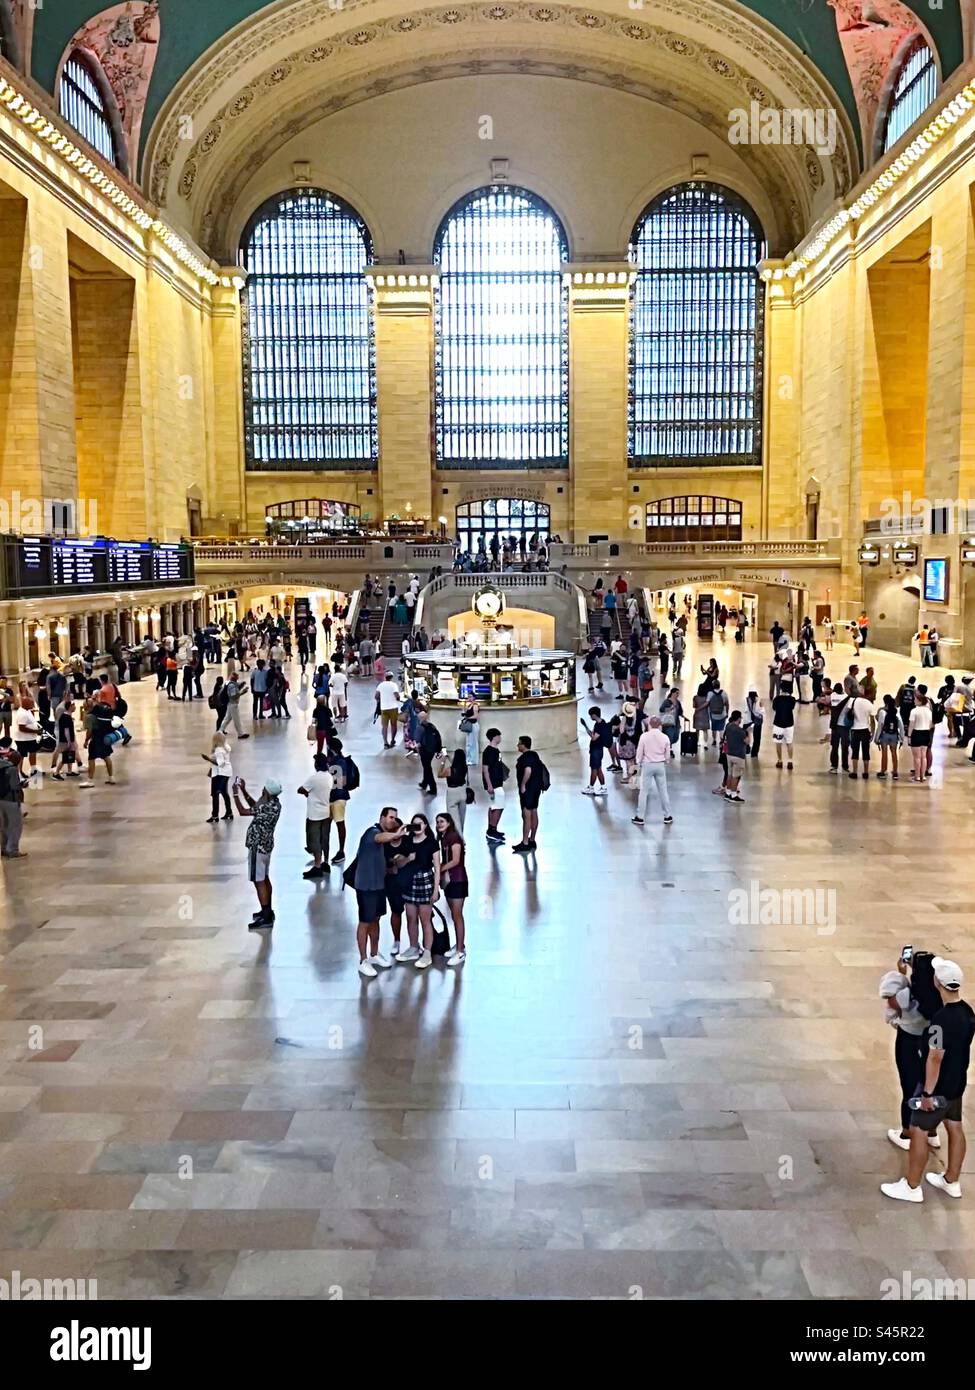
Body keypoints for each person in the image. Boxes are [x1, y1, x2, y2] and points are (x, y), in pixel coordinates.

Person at [882, 957, 975, 1203]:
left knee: (919, 1131)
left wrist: (926, 1095)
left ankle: (912, 1186)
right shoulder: (967, 1011)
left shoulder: (939, 1021)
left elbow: (934, 1058)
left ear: (937, 982)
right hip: (957, 1083)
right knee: (954, 1127)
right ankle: (951, 1180)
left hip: (937, 1088)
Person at [880, 957, 931, 1156]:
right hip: (928, 1042)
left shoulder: (904, 996)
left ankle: (906, 1133)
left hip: (908, 1042)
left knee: (908, 1086)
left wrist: (901, 974)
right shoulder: (935, 999)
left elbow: (892, 998)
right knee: (927, 1083)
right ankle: (932, 1132)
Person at [353, 808, 409, 977]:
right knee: (365, 921)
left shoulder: (383, 837)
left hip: (378, 886)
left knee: (376, 919)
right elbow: (380, 838)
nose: (393, 820)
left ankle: (374, 954)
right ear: (382, 817)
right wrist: (396, 835)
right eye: (391, 817)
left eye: (395, 818)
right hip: (366, 887)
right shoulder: (372, 832)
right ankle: (363, 960)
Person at [233, 777, 282, 930]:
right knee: (265, 878)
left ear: (267, 792)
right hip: (266, 847)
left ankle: (266, 917)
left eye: (264, 788)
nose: (262, 789)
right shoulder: (274, 805)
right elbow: (256, 806)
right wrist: (244, 790)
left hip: (257, 846)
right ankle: (267, 910)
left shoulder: (265, 807)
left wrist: (235, 795)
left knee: (258, 881)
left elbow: (243, 811)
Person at [396, 812, 442, 970]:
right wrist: (408, 857)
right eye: (414, 824)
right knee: (410, 917)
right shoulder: (407, 840)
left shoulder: (432, 843)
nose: (417, 827)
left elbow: (437, 867)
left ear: (426, 826)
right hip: (409, 880)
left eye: (420, 824)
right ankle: (413, 947)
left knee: (425, 919)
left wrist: (436, 890)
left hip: (425, 881)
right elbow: (398, 861)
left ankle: (427, 952)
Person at [436, 812, 468, 966]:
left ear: (449, 823)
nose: (439, 824)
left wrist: (440, 868)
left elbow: (456, 860)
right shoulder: (445, 838)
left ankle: (460, 950)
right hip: (450, 881)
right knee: (454, 915)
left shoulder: (454, 838)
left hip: (457, 880)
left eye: (442, 821)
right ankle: (459, 945)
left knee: (457, 915)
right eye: (437, 822)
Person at [632, 715, 674, 826]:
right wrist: (666, 761)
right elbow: (668, 754)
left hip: (647, 765)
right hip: (660, 765)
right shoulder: (665, 737)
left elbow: (639, 751)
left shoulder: (644, 736)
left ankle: (640, 817)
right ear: (660, 725)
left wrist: (638, 762)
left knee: (644, 792)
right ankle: (667, 816)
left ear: (649, 725)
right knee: (663, 791)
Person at [298, 752, 333, 878]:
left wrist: (307, 793)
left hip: (314, 814)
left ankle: (317, 866)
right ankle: (326, 862)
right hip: (326, 812)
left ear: (317, 764)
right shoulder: (329, 777)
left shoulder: (314, 777)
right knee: (325, 839)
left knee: (314, 841)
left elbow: (301, 789)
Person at [513, 734, 546, 852]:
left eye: (519, 743)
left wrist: (523, 785)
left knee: (526, 815)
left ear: (523, 745)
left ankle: (525, 842)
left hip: (528, 790)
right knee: (534, 811)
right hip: (536, 789)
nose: (517, 745)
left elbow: (528, 770)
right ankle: (532, 839)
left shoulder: (525, 758)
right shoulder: (535, 755)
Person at [202, 731, 234, 822]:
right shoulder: (226, 747)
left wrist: (208, 759)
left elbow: (220, 764)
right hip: (227, 772)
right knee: (224, 793)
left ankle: (215, 815)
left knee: (215, 794)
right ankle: (229, 812)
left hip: (219, 773)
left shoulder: (218, 750)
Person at [482, 727, 506, 844]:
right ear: (495, 737)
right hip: (494, 784)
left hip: (497, 782)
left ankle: (492, 829)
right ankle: (492, 830)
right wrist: (489, 785)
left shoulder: (496, 750)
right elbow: (485, 769)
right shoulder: (489, 751)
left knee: (494, 806)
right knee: (499, 806)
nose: (500, 737)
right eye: (499, 735)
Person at [0, 749, 26, 858]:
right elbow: (15, 786)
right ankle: (13, 849)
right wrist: (22, 785)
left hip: (0, 799)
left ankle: (4, 847)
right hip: (11, 800)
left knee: (4, 825)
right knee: (15, 825)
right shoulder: (12, 769)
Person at [581, 706, 610, 796]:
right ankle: (603, 787)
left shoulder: (600, 726)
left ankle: (591, 787)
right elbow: (592, 734)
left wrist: (586, 727)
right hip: (597, 750)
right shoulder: (599, 723)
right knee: (598, 769)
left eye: (591, 715)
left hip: (596, 751)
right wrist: (585, 726)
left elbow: (594, 738)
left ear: (594, 715)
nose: (590, 717)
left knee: (594, 770)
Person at [439, 746, 469, 832]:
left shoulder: (449, 770)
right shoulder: (464, 768)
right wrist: (448, 758)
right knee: (461, 817)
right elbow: (457, 764)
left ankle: (460, 840)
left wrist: (443, 762)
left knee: (454, 820)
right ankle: (461, 834)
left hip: (452, 794)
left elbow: (439, 774)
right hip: (462, 792)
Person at [722, 711, 750, 803]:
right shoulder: (740, 731)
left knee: (730, 774)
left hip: (729, 754)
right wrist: (748, 733)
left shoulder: (728, 726)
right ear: (738, 719)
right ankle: (733, 795)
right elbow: (747, 742)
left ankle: (728, 792)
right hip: (738, 755)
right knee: (736, 775)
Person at [908, 687, 934, 781]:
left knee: (917, 758)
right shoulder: (929, 711)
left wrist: (909, 736)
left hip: (916, 733)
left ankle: (917, 776)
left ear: (919, 701)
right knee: (924, 757)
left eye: (915, 699)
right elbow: (931, 724)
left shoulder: (914, 711)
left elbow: (911, 725)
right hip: (926, 733)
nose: (914, 701)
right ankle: (923, 776)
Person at [875, 694, 904, 779]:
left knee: (884, 753)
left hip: (885, 734)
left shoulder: (882, 712)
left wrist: (877, 738)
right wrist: (902, 738)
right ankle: (895, 772)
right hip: (894, 735)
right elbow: (901, 725)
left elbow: (880, 725)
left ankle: (883, 771)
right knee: (894, 753)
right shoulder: (896, 712)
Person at [51, 698, 80, 779]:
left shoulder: (66, 716)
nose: (75, 707)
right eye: (73, 706)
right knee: (66, 757)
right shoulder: (66, 717)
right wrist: (69, 742)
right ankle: (56, 773)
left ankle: (69, 771)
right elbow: (66, 730)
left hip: (67, 740)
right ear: (70, 707)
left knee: (70, 755)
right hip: (65, 741)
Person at [848, 691, 874, 780]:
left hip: (855, 729)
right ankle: (866, 772)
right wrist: (873, 732)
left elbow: (848, 712)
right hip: (865, 730)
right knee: (866, 752)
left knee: (855, 752)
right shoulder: (869, 704)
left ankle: (854, 772)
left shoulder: (853, 701)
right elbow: (872, 719)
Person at [771, 683, 797, 770]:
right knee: (789, 743)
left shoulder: (777, 699)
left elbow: (774, 708)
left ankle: (780, 760)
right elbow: (792, 708)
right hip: (789, 723)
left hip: (778, 723)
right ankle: (790, 761)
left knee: (778, 743)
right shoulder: (792, 699)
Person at [13, 697, 40, 777]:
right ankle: (19, 772)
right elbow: (22, 728)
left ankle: (33, 769)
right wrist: (36, 731)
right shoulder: (22, 714)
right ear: (25, 704)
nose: (33, 705)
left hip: (30, 738)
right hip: (23, 739)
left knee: (33, 753)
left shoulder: (27, 710)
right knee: (21, 756)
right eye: (31, 703)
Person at [417, 710, 443, 795]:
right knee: (426, 766)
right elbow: (438, 737)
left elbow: (417, 741)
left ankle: (433, 788)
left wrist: (417, 749)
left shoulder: (420, 727)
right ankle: (424, 783)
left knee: (427, 768)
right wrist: (438, 750)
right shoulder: (432, 726)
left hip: (425, 750)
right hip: (432, 750)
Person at [219, 672, 249, 739]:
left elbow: (236, 689)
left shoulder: (231, 684)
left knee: (227, 718)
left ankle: (220, 731)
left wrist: (242, 685)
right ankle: (240, 734)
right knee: (237, 720)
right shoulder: (232, 685)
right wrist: (242, 692)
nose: (238, 677)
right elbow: (233, 696)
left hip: (231, 704)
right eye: (237, 676)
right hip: (233, 704)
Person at [375, 674, 401, 749]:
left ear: (385, 677)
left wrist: (381, 700)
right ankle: (392, 740)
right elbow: (396, 695)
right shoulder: (394, 685)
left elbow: (376, 696)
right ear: (391, 677)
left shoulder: (380, 685)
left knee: (384, 726)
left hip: (384, 708)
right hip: (393, 708)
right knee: (393, 725)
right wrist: (398, 698)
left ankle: (385, 743)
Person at [459, 694, 479, 766]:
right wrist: (463, 707)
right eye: (468, 697)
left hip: (473, 725)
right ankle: (469, 759)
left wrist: (468, 718)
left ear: (474, 697)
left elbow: (476, 716)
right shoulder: (469, 706)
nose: (469, 698)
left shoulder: (475, 705)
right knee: (469, 743)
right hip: (469, 726)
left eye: (470, 697)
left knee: (473, 743)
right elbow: (465, 714)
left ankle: (473, 760)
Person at [707, 683, 729, 749]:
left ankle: (714, 740)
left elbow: (707, 703)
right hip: (722, 714)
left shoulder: (710, 693)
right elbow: (727, 703)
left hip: (713, 714)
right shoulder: (724, 693)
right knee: (721, 728)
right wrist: (727, 712)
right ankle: (721, 740)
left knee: (714, 728)